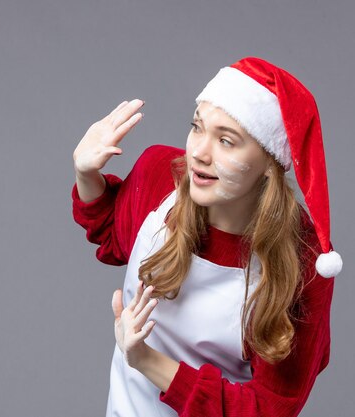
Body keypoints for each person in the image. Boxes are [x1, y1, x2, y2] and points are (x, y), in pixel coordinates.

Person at [71, 57, 343, 416]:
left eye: (226, 141)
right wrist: (86, 174)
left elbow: (268, 409)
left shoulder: (303, 263)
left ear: (268, 163)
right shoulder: (159, 177)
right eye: (197, 127)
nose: (199, 152)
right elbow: (113, 233)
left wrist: (145, 360)